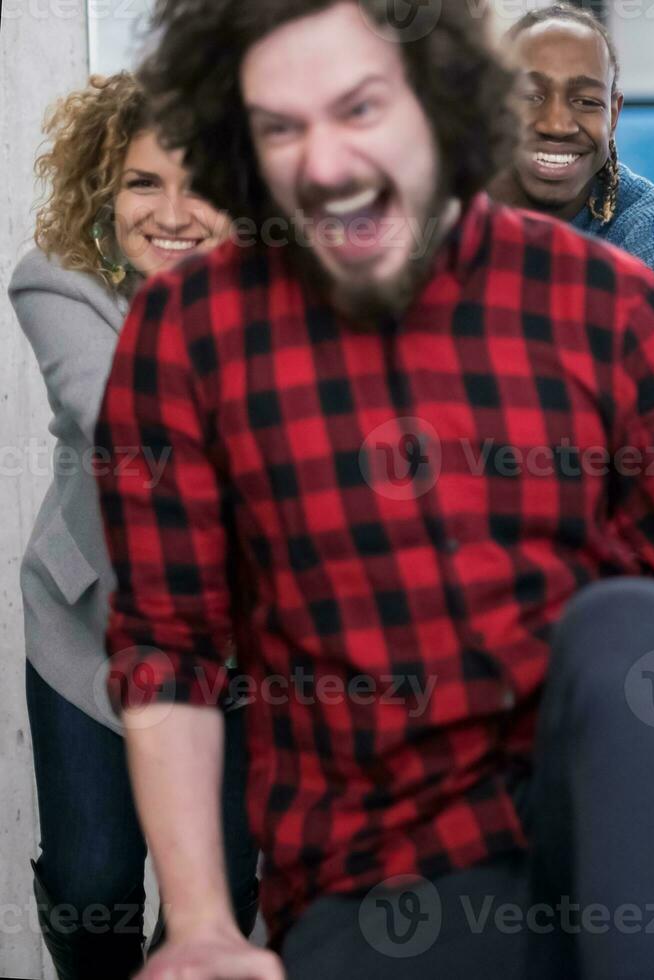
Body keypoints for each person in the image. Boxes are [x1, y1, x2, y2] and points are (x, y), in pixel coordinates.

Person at [95, 3, 654, 978]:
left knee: (633, 618)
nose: (323, 162)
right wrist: (201, 919)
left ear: (444, 103)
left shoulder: (605, 303)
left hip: (614, 822)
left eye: (359, 109)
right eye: (280, 128)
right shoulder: (188, 332)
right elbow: (170, 641)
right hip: (380, 865)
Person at [7, 72, 259, 980]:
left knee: (221, 895)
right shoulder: (56, 281)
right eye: (144, 183)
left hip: (228, 656)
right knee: (91, 884)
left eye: (200, 184)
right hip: (87, 634)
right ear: (104, 191)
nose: (174, 212)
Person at [490, 4, 654, 324]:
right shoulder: (445, 205)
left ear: (613, 114)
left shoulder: (649, 241)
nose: (557, 125)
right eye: (531, 96)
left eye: (586, 102)